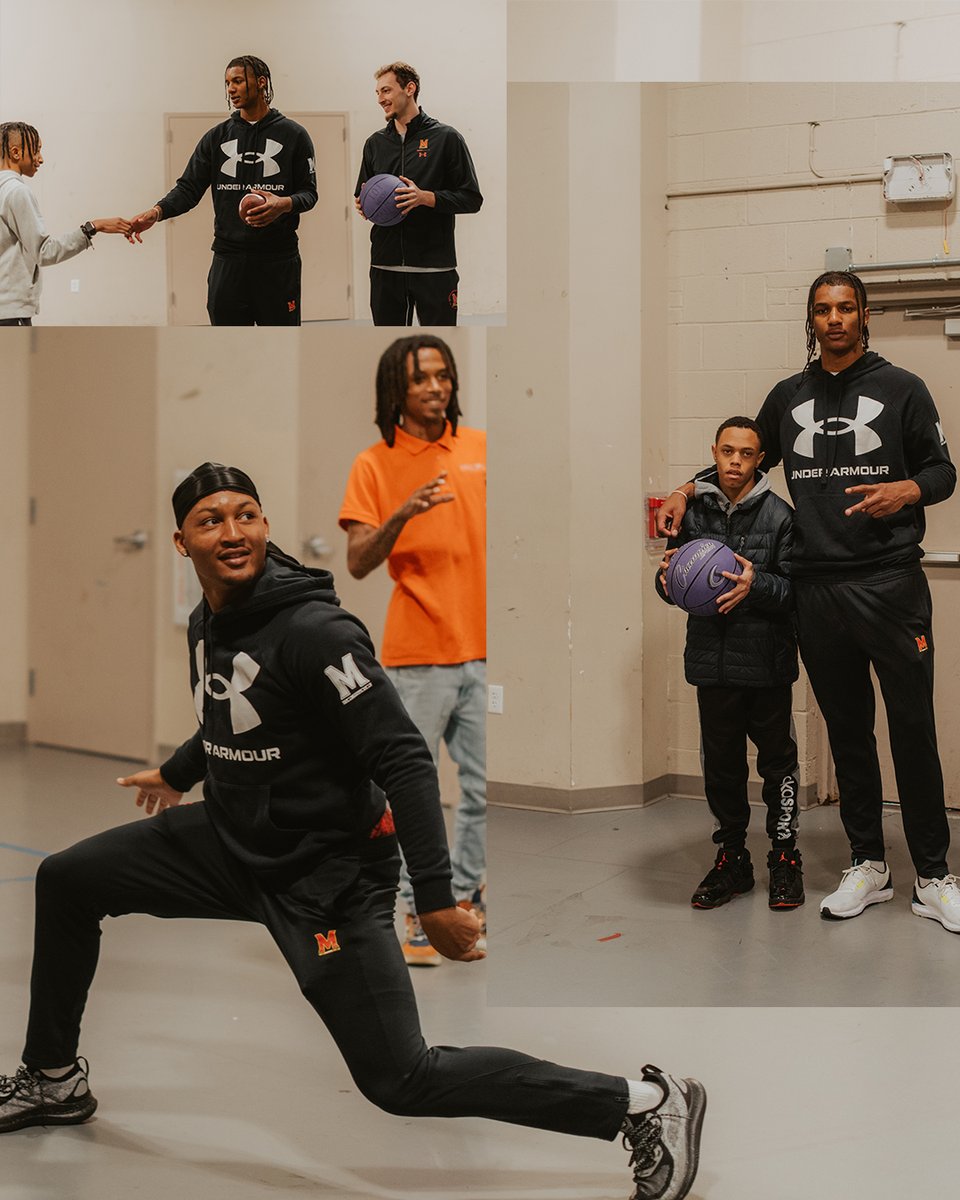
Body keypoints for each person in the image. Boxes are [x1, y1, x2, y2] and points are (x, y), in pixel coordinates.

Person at [0, 462, 706, 1200]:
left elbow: (402, 757)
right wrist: (179, 772)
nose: (233, 533)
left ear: (266, 525)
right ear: (182, 542)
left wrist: (434, 897)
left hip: (326, 874)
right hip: (234, 840)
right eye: (211, 521)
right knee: (68, 879)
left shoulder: (315, 631)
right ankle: (54, 1079)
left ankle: (644, 1104)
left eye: (247, 515)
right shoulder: (213, 615)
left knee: (400, 1077)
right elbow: (232, 708)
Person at [657, 271, 959, 933]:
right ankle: (868, 864)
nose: (835, 319)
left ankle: (934, 875)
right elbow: (745, 461)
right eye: (823, 310)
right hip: (817, 591)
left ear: (864, 314)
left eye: (846, 308)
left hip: (890, 584)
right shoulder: (788, 397)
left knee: (911, 728)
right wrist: (684, 488)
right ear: (811, 320)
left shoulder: (903, 388)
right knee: (848, 732)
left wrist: (907, 490)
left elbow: (943, 472)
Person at [338, 335, 486, 967]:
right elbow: (358, 561)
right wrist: (400, 516)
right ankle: (414, 914)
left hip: (484, 652)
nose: (435, 386)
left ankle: (463, 903)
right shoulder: (374, 463)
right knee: (410, 795)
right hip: (417, 654)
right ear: (395, 389)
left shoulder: (480, 448)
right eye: (421, 377)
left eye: (443, 374)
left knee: (483, 792)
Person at [656, 417, 802, 910]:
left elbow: (794, 593)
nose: (735, 461)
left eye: (746, 453)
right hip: (711, 664)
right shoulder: (691, 512)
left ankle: (785, 857)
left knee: (778, 764)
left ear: (760, 459)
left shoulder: (781, 517)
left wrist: (755, 585)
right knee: (721, 767)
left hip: (766, 664)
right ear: (714, 452)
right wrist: (666, 582)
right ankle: (732, 859)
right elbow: (674, 585)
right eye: (727, 451)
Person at [127, 56, 317, 326]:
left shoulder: (294, 135)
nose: (231, 89)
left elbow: (309, 194)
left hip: (277, 260)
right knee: (226, 343)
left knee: (281, 343)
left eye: (238, 81)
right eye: (227, 83)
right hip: (228, 260)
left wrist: (283, 204)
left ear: (261, 82)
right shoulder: (216, 138)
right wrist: (157, 212)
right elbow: (188, 188)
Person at [355, 62, 482, 326]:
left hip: (434, 267)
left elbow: (471, 199)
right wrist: (364, 205)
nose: (380, 99)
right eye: (377, 93)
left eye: (386, 90)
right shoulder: (375, 143)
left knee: (440, 341)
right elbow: (363, 192)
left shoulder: (447, 138)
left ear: (409, 88)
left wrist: (426, 198)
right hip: (385, 266)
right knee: (386, 344)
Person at [0, 122, 132, 325]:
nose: (41, 159)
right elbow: (45, 252)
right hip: (10, 315)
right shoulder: (17, 192)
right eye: (36, 150)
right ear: (16, 152)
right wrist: (93, 227)